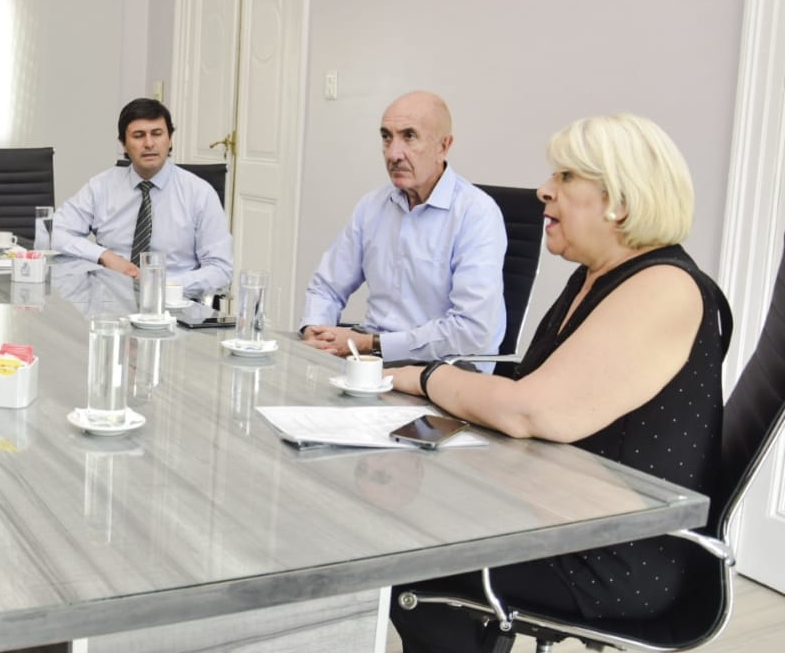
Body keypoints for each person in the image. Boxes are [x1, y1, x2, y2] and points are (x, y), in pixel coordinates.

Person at [386, 113, 728, 653]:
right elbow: (532, 386)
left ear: (619, 201)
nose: (543, 190)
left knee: (403, 549)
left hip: (613, 553)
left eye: (565, 177)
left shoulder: (666, 287)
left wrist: (426, 377)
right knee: (403, 511)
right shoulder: (596, 276)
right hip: (563, 511)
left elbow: (531, 409)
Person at [298, 90, 506, 361]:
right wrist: (315, 331)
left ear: (443, 146)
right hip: (370, 358)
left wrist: (370, 344)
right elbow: (326, 286)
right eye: (387, 137)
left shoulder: (476, 214)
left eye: (409, 136)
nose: (394, 153)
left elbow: (471, 332)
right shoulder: (372, 205)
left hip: (442, 367)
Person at [52, 98, 233, 297]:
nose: (149, 143)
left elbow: (220, 269)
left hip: (173, 302)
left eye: (157, 134)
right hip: (111, 298)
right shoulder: (101, 187)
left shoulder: (200, 193)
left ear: (170, 139)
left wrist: (161, 286)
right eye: (138, 136)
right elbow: (54, 231)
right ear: (124, 144)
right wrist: (104, 256)